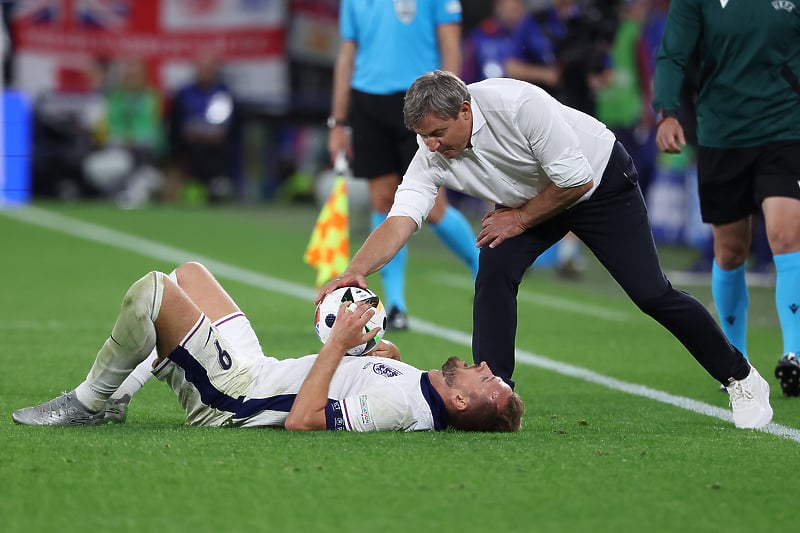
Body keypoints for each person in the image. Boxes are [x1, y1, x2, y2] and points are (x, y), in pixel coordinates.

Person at [316, 70, 774, 430]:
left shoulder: (519, 104)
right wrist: (355, 272)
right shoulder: (430, 149)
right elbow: (401, 221)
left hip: (598, 185)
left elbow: (576, 181)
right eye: (423, 136)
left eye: (437, 133)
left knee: (651, 293)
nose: (431, 145)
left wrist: (517, 218)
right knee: (493, 271)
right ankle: (496, 395)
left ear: (464, 110)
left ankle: (740, 377)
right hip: (529, 197)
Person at [12, 262, 523, 432]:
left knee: (155, 291)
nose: (482, 364)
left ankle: (88, 402)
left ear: (461, 402)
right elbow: (354, 381)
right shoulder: (419, 387)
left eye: (487, 378)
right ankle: (124, 391)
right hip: (260, 368)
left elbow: (304, 418)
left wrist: (339, 344)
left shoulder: (400, 408)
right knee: (191, 273)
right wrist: (369, 355)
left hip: (235, 397)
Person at [652, 0, 800, 396]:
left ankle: (795, 354)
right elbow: (673, 52)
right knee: (730, 250)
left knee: (787, 234)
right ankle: (738, 363)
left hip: (786, 127)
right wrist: (666, 112)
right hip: (722, 133)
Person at [328, 0, 480, 331]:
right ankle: (396, 304)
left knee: (434, 208)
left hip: (423, 99)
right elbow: (347, 54)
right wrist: (338, 121)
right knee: (383, 201)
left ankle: (483, 271)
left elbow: (450, 42)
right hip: (368, 101)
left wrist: (449, 106)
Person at [163, 50, 240, 204]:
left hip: (214, 148)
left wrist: (205, 132)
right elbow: (178, 123)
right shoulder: (184, 93)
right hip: (187, 145)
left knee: (216, 147)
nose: (204, 72)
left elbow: (221, 127)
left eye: (208, 68)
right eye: (201, 68)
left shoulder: (222, 93)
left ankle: (217, 185)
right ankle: (186, 185)